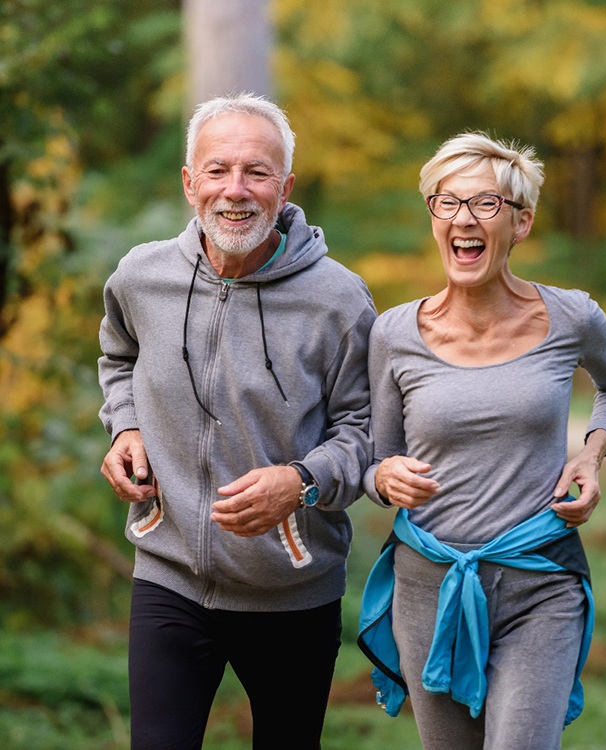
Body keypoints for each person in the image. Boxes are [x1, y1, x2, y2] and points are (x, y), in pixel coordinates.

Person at [98, 93, 376, 750]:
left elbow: (367, 435)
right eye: (218, 170)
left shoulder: (338, 299)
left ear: (285, 186)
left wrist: (301, 480)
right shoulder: (142, 277)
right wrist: (125, 427)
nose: (236, 190)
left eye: (256, 172)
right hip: (167, 575)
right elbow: (118, 354)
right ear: (190, 182)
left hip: (292, 589)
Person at [357, 131, 606, 750]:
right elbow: (376, 460)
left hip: (540, 581)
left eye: (486, 204)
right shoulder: (393, 334)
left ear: (522, 223)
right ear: (433, 217)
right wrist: (383, 478)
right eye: (447, 203)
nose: (464, 219)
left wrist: (590, 456)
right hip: (428, 588)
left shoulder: (572, 318)